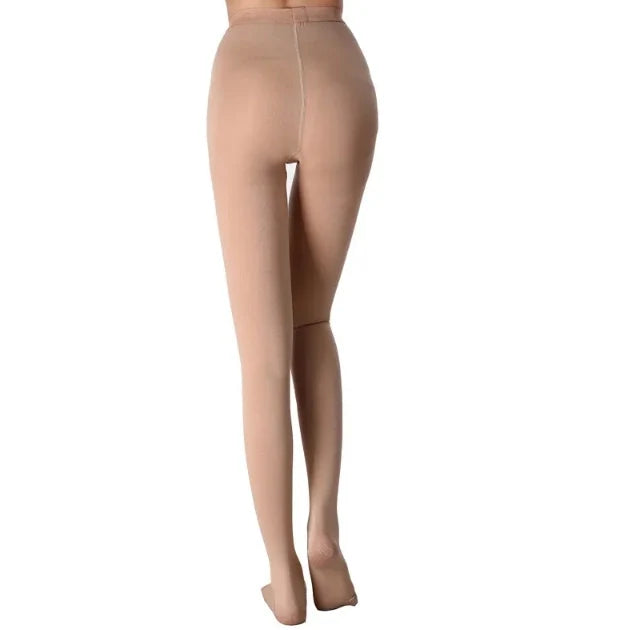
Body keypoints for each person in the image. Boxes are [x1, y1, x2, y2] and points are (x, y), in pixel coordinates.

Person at [206, 0, 378, 624]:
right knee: (313, 320)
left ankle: (283, 574)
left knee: (264, 358)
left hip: (248, 69)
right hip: (337, 68)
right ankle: (324, 526)